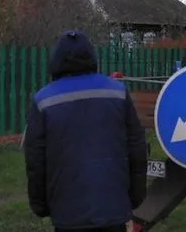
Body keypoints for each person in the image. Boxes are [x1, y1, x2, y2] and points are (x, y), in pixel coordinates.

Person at [23, 30, 147, 232]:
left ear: (56, 59)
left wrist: (40, 205)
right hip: (114, 208)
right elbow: (137, 148)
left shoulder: (43, 100)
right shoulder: (118, 92)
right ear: (91, 57)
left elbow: (36, 161)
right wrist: (135, 196)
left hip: (67, 213)